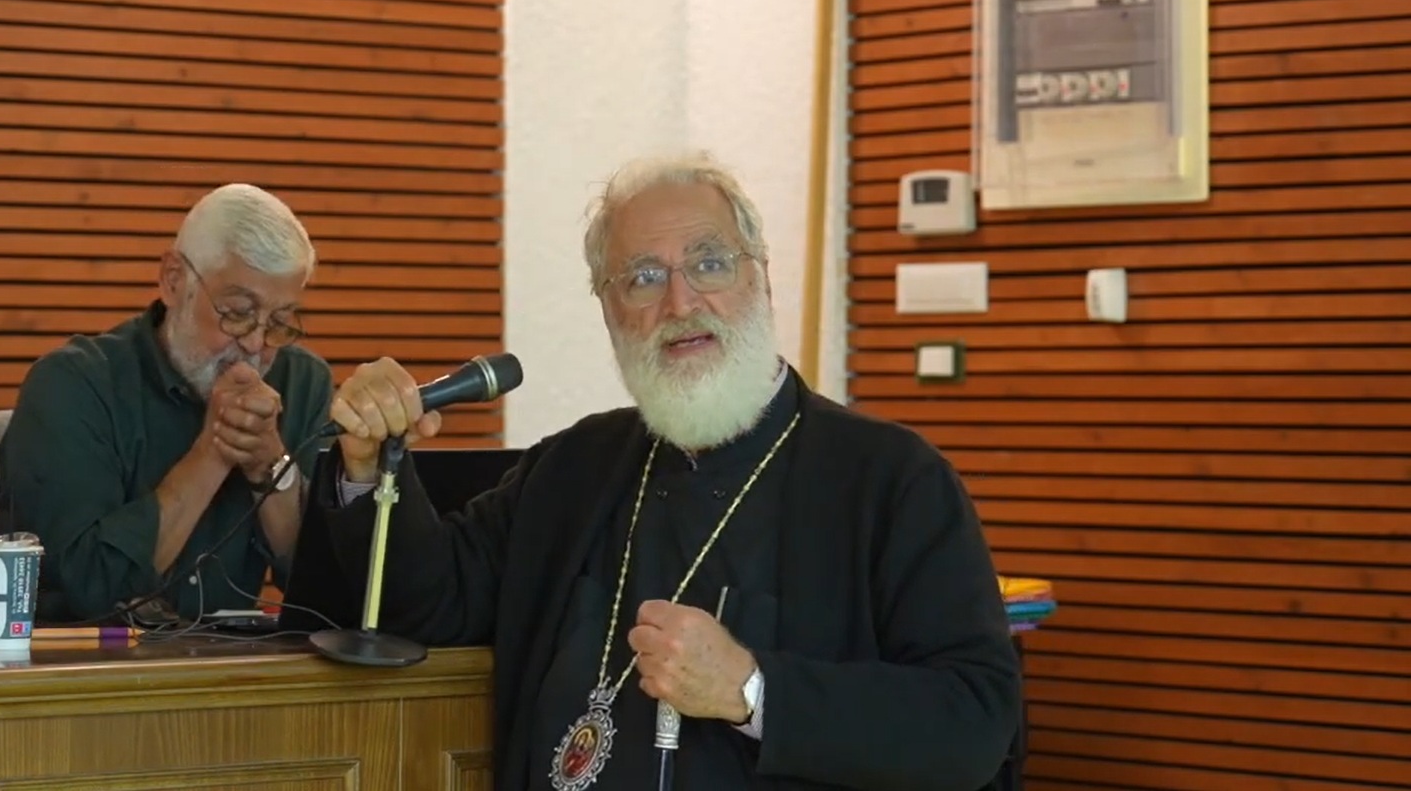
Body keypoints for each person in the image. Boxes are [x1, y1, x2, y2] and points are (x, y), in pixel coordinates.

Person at [314, 152, 1022, 791]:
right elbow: (430, 603)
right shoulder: (572, 467)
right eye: (643, 278)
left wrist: (752, 691)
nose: (680, 303)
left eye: (709, 264)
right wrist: (370, 467)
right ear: (608, 309)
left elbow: (973, 721)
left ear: (761, 278)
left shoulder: (891, 479)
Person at [0, 184, 333, 624]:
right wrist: (213, 453)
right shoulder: (72, 384)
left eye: (280, 321)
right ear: (174, 280)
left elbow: (325, 591)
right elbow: (85, 592)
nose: (256, 344)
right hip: (82, 658)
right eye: (237, 312)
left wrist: (270, 465)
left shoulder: (303, 381)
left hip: (229, 657)